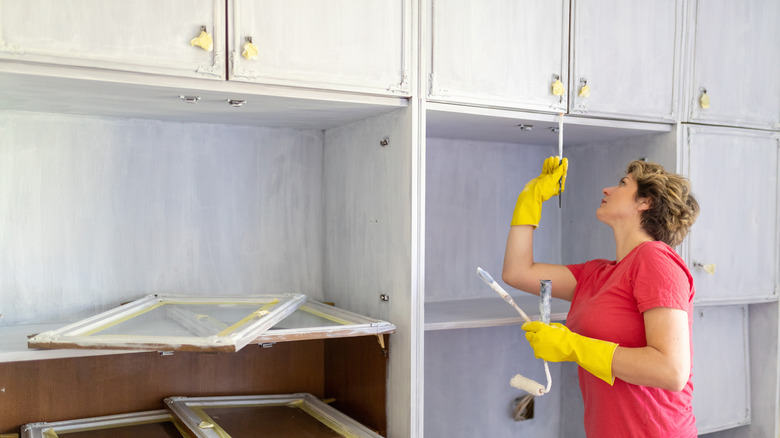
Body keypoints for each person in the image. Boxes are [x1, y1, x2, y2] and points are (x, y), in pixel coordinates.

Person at [502, 156, 700, 437]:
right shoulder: (596, 274)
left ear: (646, 202)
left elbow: (671, 371)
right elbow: (517, 271)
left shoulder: (655, 259)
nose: (607, 190)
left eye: (622, 184)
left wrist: (572, 346)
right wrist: (530, 198)